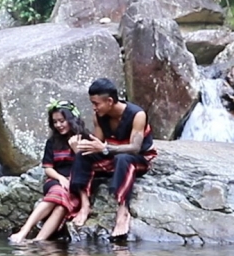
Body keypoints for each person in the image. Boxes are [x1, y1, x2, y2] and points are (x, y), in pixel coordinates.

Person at [69, 78, 157, 238]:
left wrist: (104, 148)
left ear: (110, 101)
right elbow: (97, 143)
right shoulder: (99, 116)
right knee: (83, 154)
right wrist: (82, 145)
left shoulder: (137, 114)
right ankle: (85, 204)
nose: (93, 108)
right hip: (112, 157)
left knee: (123, 159)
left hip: (138, 159)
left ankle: (123, 211)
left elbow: (135, 148)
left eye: (96, 103)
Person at [10, 101, 89, 243]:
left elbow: (87, 165)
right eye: (55, 122)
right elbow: (48, 168)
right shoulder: (52, 142)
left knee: (61, 207)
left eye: (62, 121)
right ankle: (24, 231)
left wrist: (77, 150)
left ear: (71, 119)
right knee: (58, 192)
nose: (58, 125)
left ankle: (39, 241)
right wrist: (60, 178)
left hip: (76, 183)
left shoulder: (85, 138)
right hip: (55, 181)